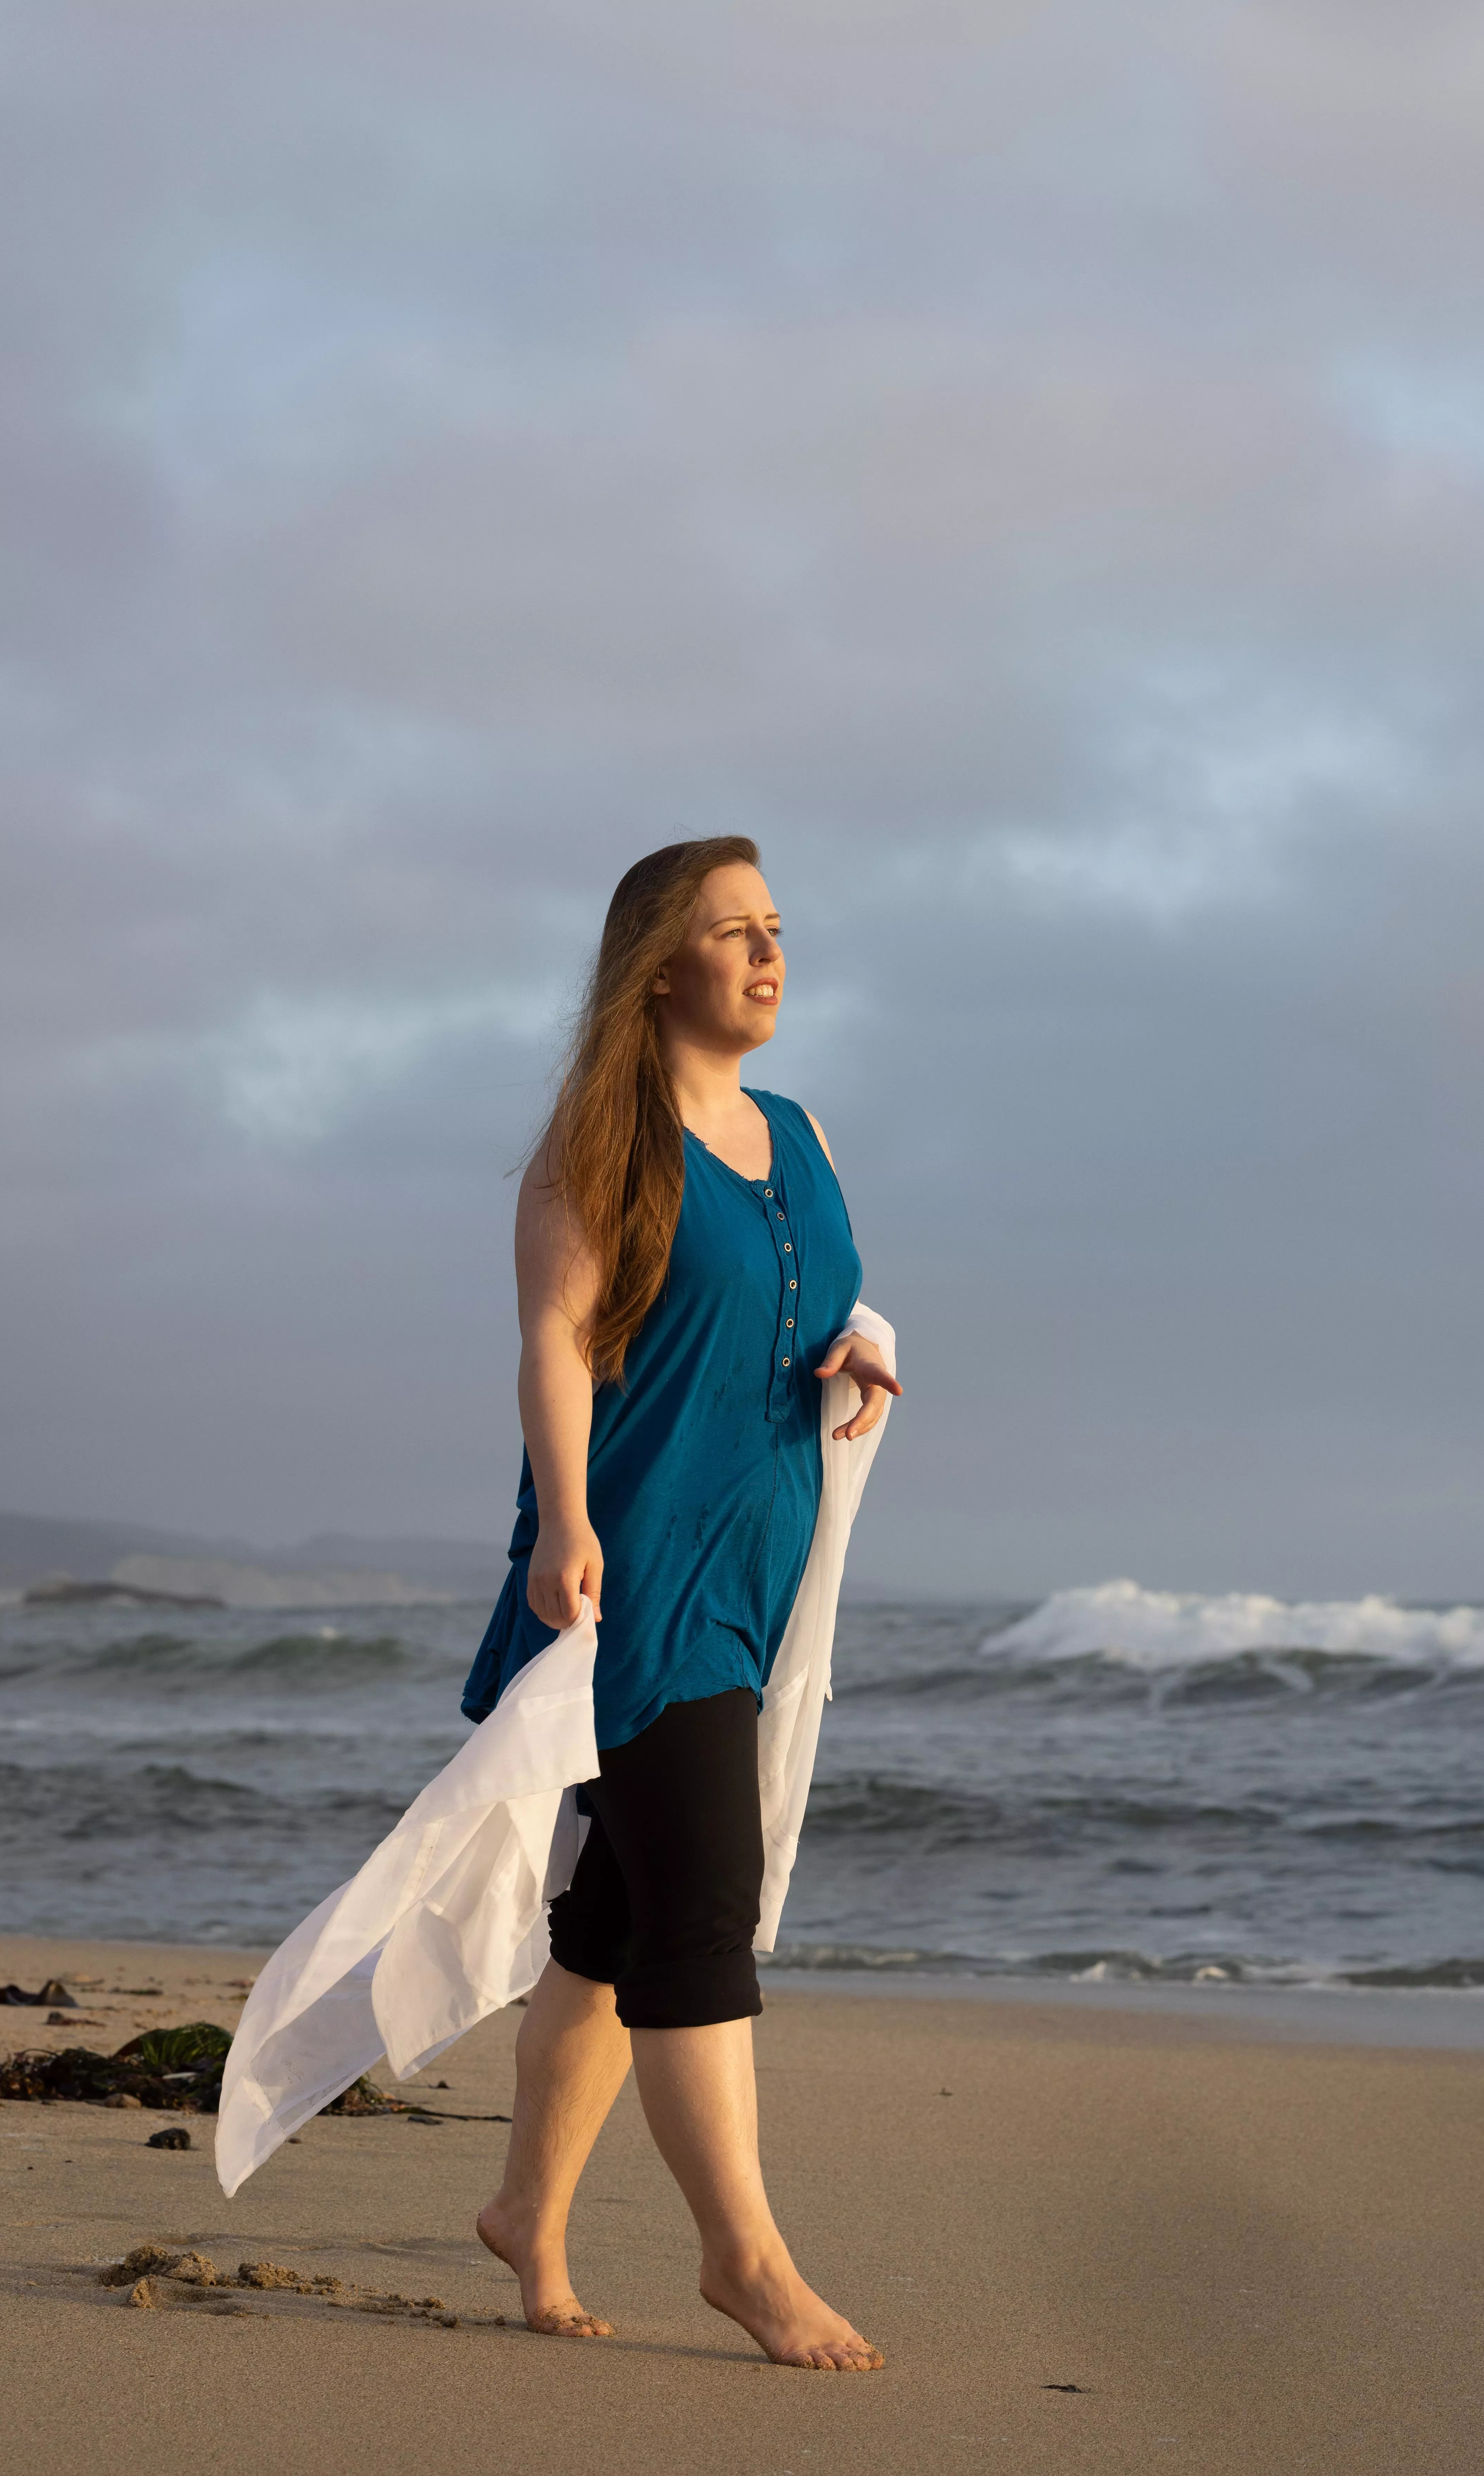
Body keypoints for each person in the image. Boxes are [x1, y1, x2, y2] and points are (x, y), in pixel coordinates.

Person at [464, 838, 900, 2372]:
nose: (770, 954)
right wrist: (567, 1521)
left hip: (761, 1570)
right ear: (659, 967)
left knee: (617, 1918)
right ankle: (745, 2258)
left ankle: (525, 2212)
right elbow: (555, 1340)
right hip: (641, 1577)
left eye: (776, 927)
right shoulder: (600, 1147)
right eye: (734, 933)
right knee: (706, 1905)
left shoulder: (803, 1133)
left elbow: (802, 1302)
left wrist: (853, 1349)